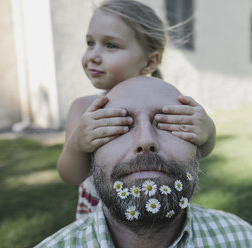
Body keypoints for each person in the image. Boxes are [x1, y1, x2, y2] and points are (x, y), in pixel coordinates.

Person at [37, 76, 252, 248]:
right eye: (119, 125)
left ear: (197, 148)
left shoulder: (243, 239)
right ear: (90, 157)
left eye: (166, 123)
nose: (145, 140)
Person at [57, 0, 216, 219]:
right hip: (101, 216)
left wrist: (207, 132)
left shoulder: (166, 103)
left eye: (110, 45)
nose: (93, 55)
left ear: (150, 62)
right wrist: (78, 143)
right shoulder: (83, 109)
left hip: (156, 204)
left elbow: (197, 151)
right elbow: (70, 176)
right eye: (90, 43)